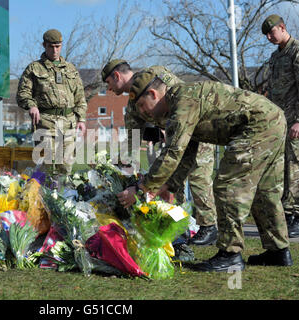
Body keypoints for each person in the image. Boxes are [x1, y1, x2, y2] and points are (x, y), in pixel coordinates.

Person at [117, 70, 293, 271]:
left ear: (154, 94)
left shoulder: (182, 101)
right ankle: (278, 251)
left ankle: (230, 255)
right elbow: (187, 152)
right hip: (272, 118)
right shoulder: (180, 103)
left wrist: (142, 188)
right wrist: (170, 185)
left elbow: (173, 151)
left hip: (257, 125)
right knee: (265, 191)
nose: (142, 112)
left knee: (227, 185)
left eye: (141, 105)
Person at [101, 60, 218, 246]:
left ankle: (209, 226)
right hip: (174, 140)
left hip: (194, 129)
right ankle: (181, 225)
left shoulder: (155, 73)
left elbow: (181, 98)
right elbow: (132, 136)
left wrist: (171, 126)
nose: (108, 89)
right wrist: (119, 164)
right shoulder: (132, 105)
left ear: (116, 76)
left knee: (198, 175)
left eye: (108, 83)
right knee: (172, 182)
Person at [16, 29, 87, 175]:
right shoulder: (34, 68)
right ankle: (43, 197)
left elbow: (80, 97)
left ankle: (63, 196)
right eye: (51, 46)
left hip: (68, 124)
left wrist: (81, 118)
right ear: (44, 45)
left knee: (66, 168)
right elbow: (23, 93)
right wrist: (32, 105)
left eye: (58, 46)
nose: (55, 50)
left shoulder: (71, 69)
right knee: (46, 168)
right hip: (45, 124)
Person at [262, 14, 299, 238]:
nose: (268, 37)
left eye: (271, 32)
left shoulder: (296, 51)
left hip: (294, 120)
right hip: (279, 121)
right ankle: (286, 212)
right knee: (283, 167)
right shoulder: (275, 57)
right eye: (266, 34)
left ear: (282, 27)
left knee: (294, 166)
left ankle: (295, 214)